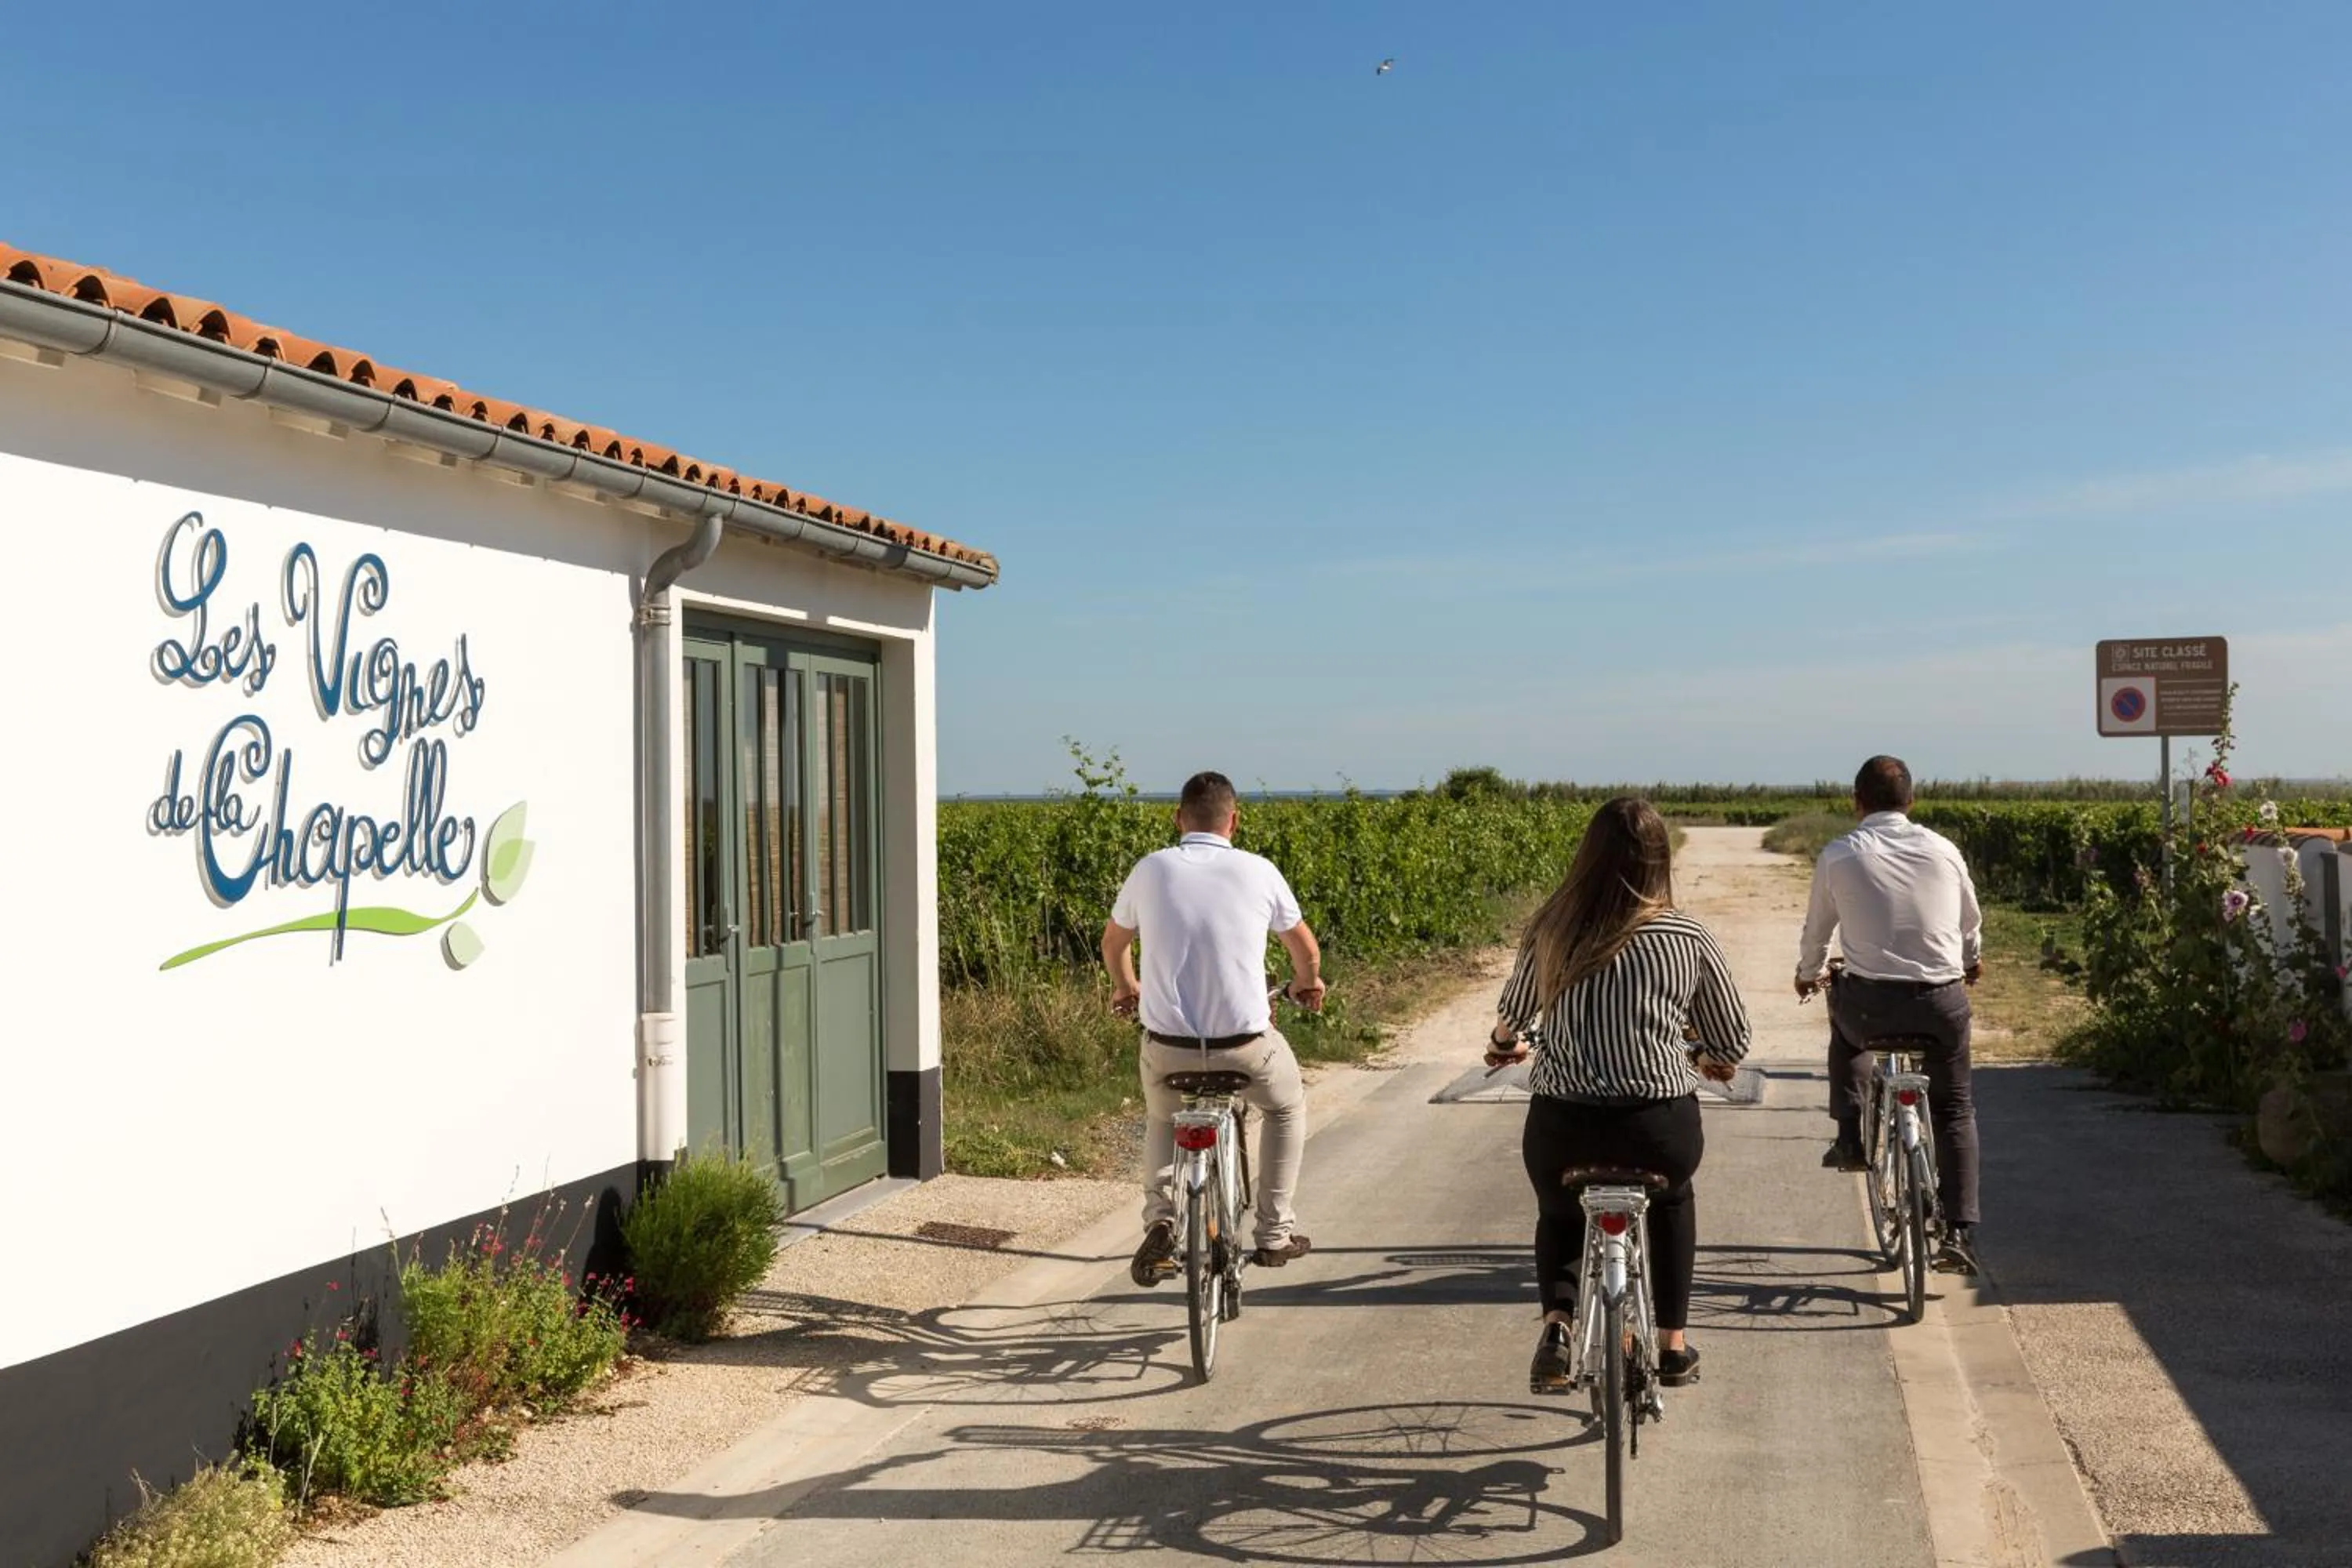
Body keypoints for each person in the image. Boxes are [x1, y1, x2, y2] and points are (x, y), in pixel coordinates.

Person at [1484, 796, 1751, 1394]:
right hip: (1658, 1127)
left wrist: (1504, 1044)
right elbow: (1733, 1039)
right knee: (1674, 1202)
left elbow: (1513, 1014)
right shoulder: (1687, 935)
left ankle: (1556, 1329)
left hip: (1563, 1125)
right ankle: (1673, 1347)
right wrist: (1707, 1056)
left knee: (1557, 1213)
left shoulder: (1551, 927)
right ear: (1660, 860)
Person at [1102, 771, 1327, 1288]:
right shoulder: (1259, 871)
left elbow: (1114, 944)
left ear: (1178, 819)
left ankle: (1161, 1221)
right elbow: (1306, 952)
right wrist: (1306, 984)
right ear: (1235, 821)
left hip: (1170, 1050)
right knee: (1286, 1106)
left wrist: (1126, 988)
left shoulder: (1151, 869)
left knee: (1163, 1118)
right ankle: (1274, 1234)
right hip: (1245, 1049)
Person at [1794, 755, 1985, 1275]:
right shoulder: (1944, 850)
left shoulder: (1839, 854)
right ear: (1912, 802)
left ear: (1857, 803)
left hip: (1870, 1006)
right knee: (1955, 1111)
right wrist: (1969, 962)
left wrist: (1808, 972)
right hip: (1941, 1003)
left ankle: (1851, 1136)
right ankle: (1961, 1232)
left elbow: (1817, 929)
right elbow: (1969, 920)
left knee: (1846, 1033)